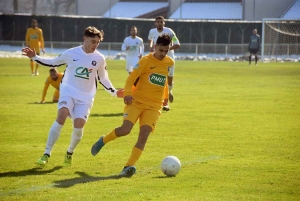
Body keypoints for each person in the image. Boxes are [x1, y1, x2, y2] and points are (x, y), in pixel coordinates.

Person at [22, 26, 122, 167]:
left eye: (98, 43)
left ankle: (69, 152)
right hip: (68, 91)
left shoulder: (99, 58)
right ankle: (46, 153)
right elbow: (53, 62)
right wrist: (35, 57)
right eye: (93, 41)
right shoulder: (72, 53)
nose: (95, 45)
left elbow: (103, 79)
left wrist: (115, 92)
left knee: (79, 126)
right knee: (61, 116)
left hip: (86, 97)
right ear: (85, 39)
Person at [91, 34, 174, 176]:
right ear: (155, 47)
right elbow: (131, 78)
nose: (163, 54)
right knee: (125, 130)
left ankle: (128, 166)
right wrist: (128, 93)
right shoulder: (145, 61)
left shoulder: (169, 63)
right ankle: (103, 140)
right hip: (136, 101)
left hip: (154, 106)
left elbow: (165, 80)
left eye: (166, 51)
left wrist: (167, 95)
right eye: (161, 50)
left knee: (144, 135)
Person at [148, 16, 180, 111]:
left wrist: (166, 48)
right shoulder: (152, 32)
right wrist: (150, 47)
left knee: (169, 81)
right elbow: (150, 41)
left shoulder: (169, 31)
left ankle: (170, 91)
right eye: (157, 22)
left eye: (161, 22)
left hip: (169, 59)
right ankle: (164, 103)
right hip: (157, 59)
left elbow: (177, 44)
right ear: (155, 23)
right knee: (159, 80)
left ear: (164, 23)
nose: (159, 23)